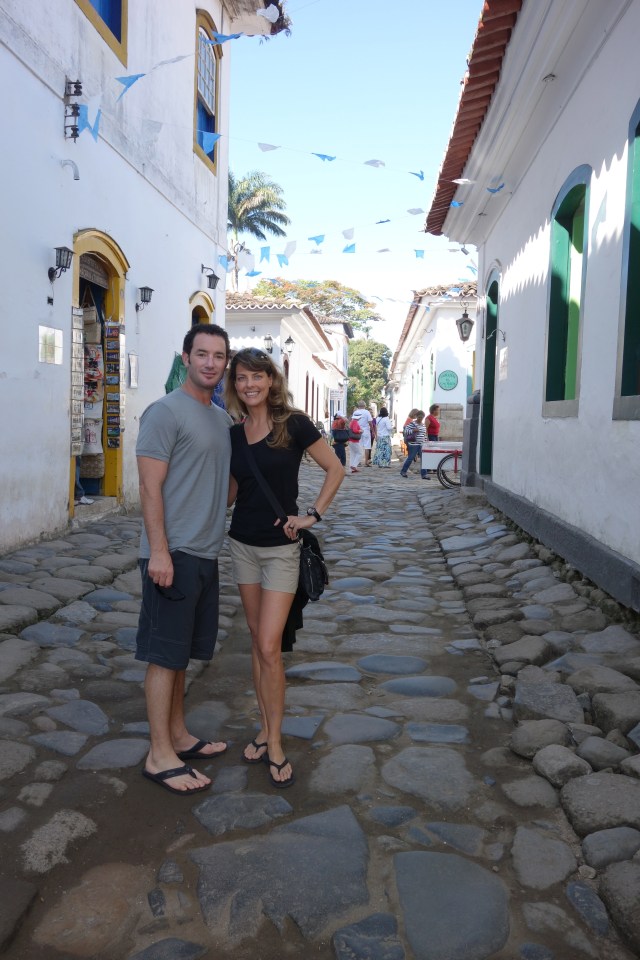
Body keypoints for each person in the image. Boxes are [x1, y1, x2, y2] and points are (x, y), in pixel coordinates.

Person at [225, 348, 343, 788]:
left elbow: (335, 468)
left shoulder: (292, 424)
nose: (249, 385)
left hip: (280, 548)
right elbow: (234, 493)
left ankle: (274, 740)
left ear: (271, 381)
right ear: (234, 385)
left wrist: (312, 514)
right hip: (242, 546)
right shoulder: (235, 435)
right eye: (241, 378)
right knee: (257, 642)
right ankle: (263, 725)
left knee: (270, 645)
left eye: (257, 376)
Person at [135, 323, 232, 796]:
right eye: (202, 354)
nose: (210, 363)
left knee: (180, 657)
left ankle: (177, 736)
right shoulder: (164, 411)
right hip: (171, 552)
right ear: (186, 357)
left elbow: (224, 487)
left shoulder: (219, 418)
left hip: (205, 552)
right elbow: (149, 486)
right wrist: (158, 550)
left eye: (218, 355)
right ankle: (159, 756)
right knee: (162, 655)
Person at [400, 410, 426, 478]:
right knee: (410, 458)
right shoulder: (412, 424)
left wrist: (425, 441)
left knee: (424, 459)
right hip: (413, 444)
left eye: (422, 417)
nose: (420, 418)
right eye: (419, 417)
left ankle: (424, 474)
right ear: (416, 416)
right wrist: (413, 430)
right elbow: (405, 431)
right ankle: (403, 471)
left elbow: (424, 434)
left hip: (421, 444)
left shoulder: (423, 425)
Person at [352, 400, 373, 466]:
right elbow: (370, 422)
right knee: (367, 446)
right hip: (366, 431)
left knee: (358, 446)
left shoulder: (355, 412)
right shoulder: (367, 412)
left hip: (357, 431)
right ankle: (366, 462)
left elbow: (353, 422)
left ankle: (358, 462)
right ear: (364, 406)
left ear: (358, 406)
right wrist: (372, 430)